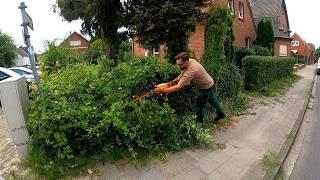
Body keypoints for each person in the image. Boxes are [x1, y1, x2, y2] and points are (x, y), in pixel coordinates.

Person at [154, 52, 225, 123]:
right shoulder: (189, 61)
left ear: (186, 61)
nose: (179, 67)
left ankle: (200, 125)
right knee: (212, 99)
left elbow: (178, 87)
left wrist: (162, 91)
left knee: (200, 106)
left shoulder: (191, 71)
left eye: (180, 65)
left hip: (205, 87)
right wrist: (167, 84)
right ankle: (221, 113)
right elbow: (180, 77)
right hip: (209, 83)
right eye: (178, 64)